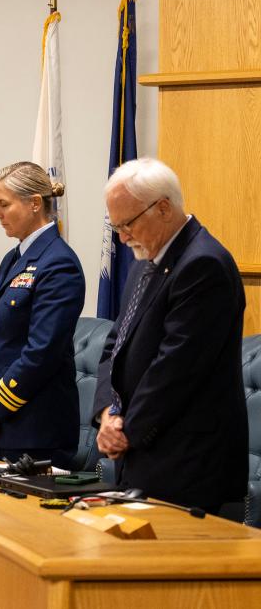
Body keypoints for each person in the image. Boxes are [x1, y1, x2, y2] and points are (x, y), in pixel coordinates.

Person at [94, 158, 246, 513]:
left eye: (127, 223)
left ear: (162, 207)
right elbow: (115, 344)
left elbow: (175, 370)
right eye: (116, 226)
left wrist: (125, 430)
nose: (122, 237)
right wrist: (106, 413)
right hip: (142, 455)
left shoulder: (202, 264)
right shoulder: (145, 260)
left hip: (188, 466)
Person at [0, 161, 84, 467]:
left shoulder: (59, 264)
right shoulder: (14, 258)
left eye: (4, 204)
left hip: (36, 430)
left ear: (34, 204)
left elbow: (41, 353)